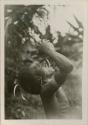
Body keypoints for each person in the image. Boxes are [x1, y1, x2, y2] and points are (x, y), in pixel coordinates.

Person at [18, 37, 73, 118]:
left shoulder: (47, 85)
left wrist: (49, 52)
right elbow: (68, 66)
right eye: (40, 65)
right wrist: (49, 51)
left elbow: (60, 65)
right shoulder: (46, 90)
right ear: (40, 80)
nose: (45, 63)